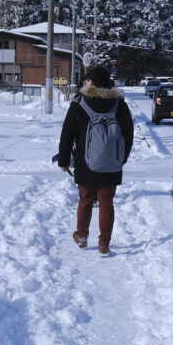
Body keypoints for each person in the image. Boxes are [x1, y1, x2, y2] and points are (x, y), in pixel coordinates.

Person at [55, 65, 134, 254]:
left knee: (86, 199)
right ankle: (104, 243)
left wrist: (64, 160)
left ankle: (82, 236)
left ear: (92, 82)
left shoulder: (79, 102)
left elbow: (67, 134)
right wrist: (121, 158)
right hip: (111, 162)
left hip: (85, 162)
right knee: (106, 201)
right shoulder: (119, 104)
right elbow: (128, 134)